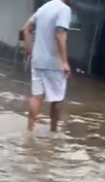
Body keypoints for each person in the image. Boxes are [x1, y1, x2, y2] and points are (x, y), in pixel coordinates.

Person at [22, 0, 73, 135]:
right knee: (57, 99)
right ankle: (53, 132)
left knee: (36, 97)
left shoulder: (44, 8)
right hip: (54, 63)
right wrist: (64, 62)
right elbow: (59, 35)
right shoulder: (64, 9)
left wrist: (29, 51)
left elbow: (25, 29)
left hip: (37, 60)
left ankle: (29, 131)